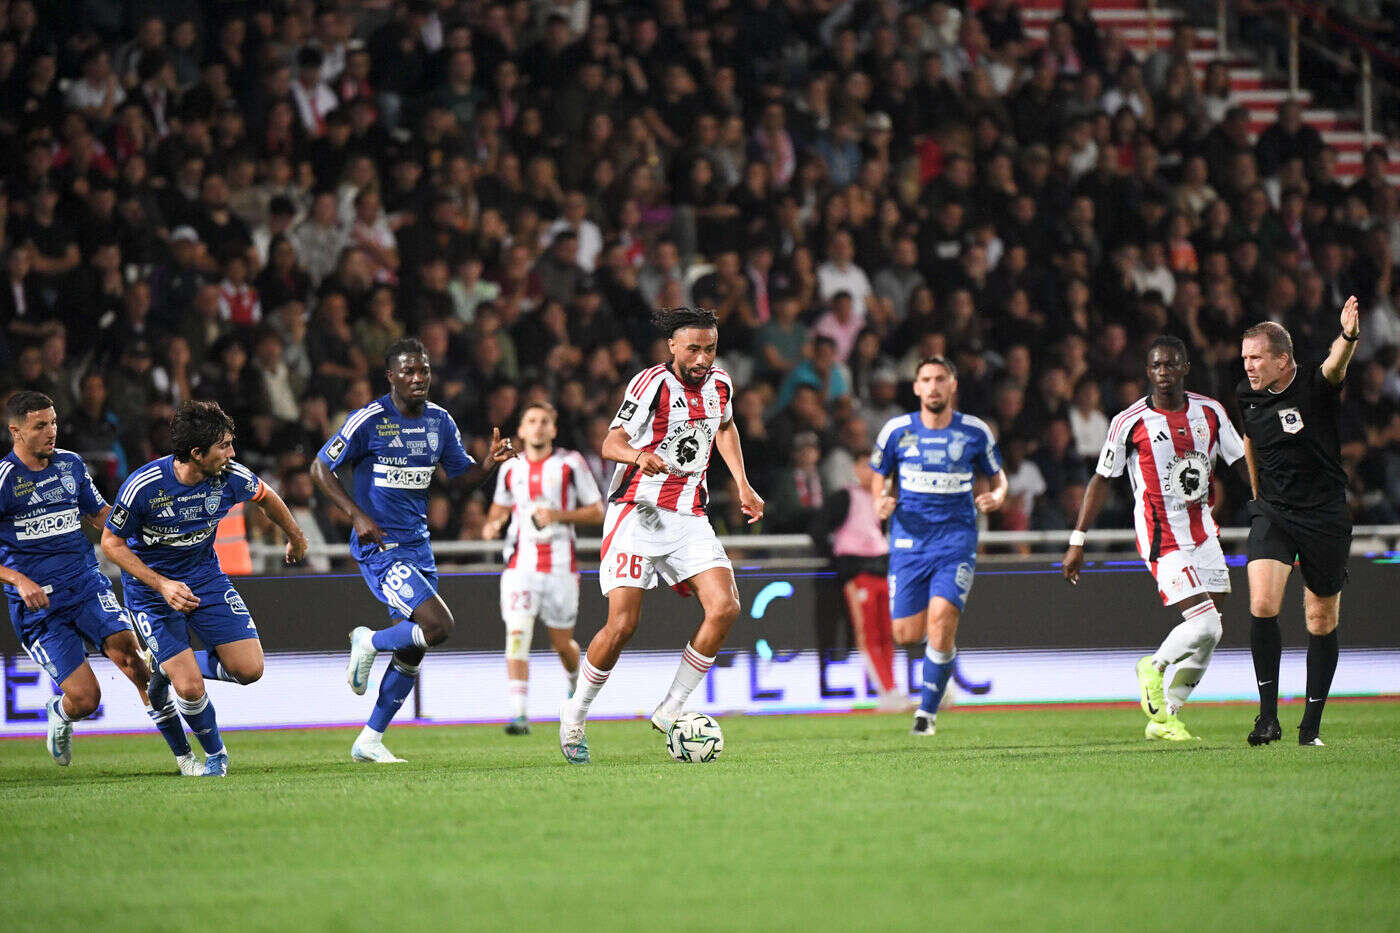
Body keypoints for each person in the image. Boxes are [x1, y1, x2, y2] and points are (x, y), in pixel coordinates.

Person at [558, 307, 765, 764]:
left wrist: (742, 484)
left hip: (690, 513)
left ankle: (672, 708)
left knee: (726, 606)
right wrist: (636, 457)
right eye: (693, 348)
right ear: (672, 346)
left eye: (710, 348)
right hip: (638, 512)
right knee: (622, 626)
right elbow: (609, 442)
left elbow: (725, 428)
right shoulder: (650, 384)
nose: (703, 358)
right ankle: (575, 713)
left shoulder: (721, 385)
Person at [311, 337, 514, 763]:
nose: (418, 378)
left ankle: (370, 739)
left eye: (423, 370)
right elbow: (319, 467)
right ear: (391, 377)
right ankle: (368, 641)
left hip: (418, 547)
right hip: (381, 547)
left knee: (415, 646)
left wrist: (488, 466)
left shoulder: (440, 421)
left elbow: (460, 480)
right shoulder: (368, 420)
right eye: (408, 371)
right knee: (439, 626)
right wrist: (356, 515)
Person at [102, 401, 309, 777]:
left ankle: (165, 668)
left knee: (249, 670)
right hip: (152, 590)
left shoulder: (228, 475)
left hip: (205, 578)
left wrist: (294, 535)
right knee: (191, 688)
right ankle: (216, 756)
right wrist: (162, 584)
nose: (232, 453)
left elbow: (265, 496)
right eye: (224, 446)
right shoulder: (144, 486)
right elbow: (111, 544)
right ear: (196, 453)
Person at [0, 392, 196, 772]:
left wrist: (148, 532)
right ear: (16, 431)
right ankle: (61, 711)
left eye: (53, 422)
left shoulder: (71, 465)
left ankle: (185, 757)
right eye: (40, 425)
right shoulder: (5, 480)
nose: (51, 431)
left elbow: (101, 515)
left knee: (135, 661)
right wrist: (18, 579)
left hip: (86, 584)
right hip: (40, 607)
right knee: (87, 700)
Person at [1062, 337, 1246, 741]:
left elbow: (1241, 463)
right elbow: (1101, 480)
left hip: (1204, 532)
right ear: (1149, 372)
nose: (1163, 372)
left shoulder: (1210, 413)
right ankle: (1154, 667)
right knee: (1201, 621)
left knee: (1213, 630)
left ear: (1185, 368)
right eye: (1156, 366)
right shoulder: (1129, 422)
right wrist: (1078, 539)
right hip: (1161, 535)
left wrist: (1271, 505)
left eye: (1171, 365)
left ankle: (1167, 716)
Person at [1238, 300, 1360, 747]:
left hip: (1324, 515)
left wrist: (1347, 337)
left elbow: (1334, 366)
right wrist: (1256, 497)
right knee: (1263, 603)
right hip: (1274, 512)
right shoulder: (1246, 395)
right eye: (1245, 358)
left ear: (1281, 359)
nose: (1248, 366)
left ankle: (1310, 728)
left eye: (1256, 358)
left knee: (1320, 617)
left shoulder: (1314, 384)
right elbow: (1251, 439)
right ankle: (1267, 718)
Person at [870, 357, 1007, 737]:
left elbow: (1000, 479)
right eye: (926, 380)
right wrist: (880, 500)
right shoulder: (896, 431)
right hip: (909, 541)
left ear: (952, 385)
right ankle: (943, 659)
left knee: (942, 620)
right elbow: (879, 478)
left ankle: (926, 715)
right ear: (915, 387)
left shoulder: (975, 431)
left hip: (956, 539)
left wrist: (996, 496)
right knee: (907, 635)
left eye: (940, 379)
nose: (932, 386)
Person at [481, 401, 603, 734]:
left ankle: (574, 685)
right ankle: (519, 714)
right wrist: (492, 525)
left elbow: (597, 511)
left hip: (562, 566)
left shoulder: (570, 464)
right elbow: (497, 511)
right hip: (521, 566)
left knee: (562, 644)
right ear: (520, 430)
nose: (537, 426)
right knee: (517, 633)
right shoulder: (510, 468)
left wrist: (559, 515)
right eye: (531, 420)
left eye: (544, 421)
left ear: (553, 429)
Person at [813, 447, 906, 710]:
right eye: (867, 465)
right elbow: (819, 528)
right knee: (868, 635)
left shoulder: (878, 500)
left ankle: (892, 688)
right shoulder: (844, 497)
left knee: (887, 634)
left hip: (881, 571)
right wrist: (839, 559)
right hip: (858, 573)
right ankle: (886, 692)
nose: (872, 472)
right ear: (855, 468)